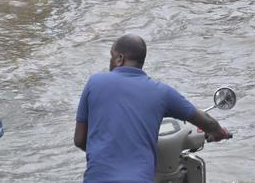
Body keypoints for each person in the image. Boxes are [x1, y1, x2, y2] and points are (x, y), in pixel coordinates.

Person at [74, 35, 230, 182]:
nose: (110, 60)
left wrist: (102, 153)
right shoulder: (161, 91)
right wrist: (219, 133)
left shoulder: (94, 82)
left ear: (120, 59)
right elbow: (205, 121)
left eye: (111, 55)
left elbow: (80, 140)